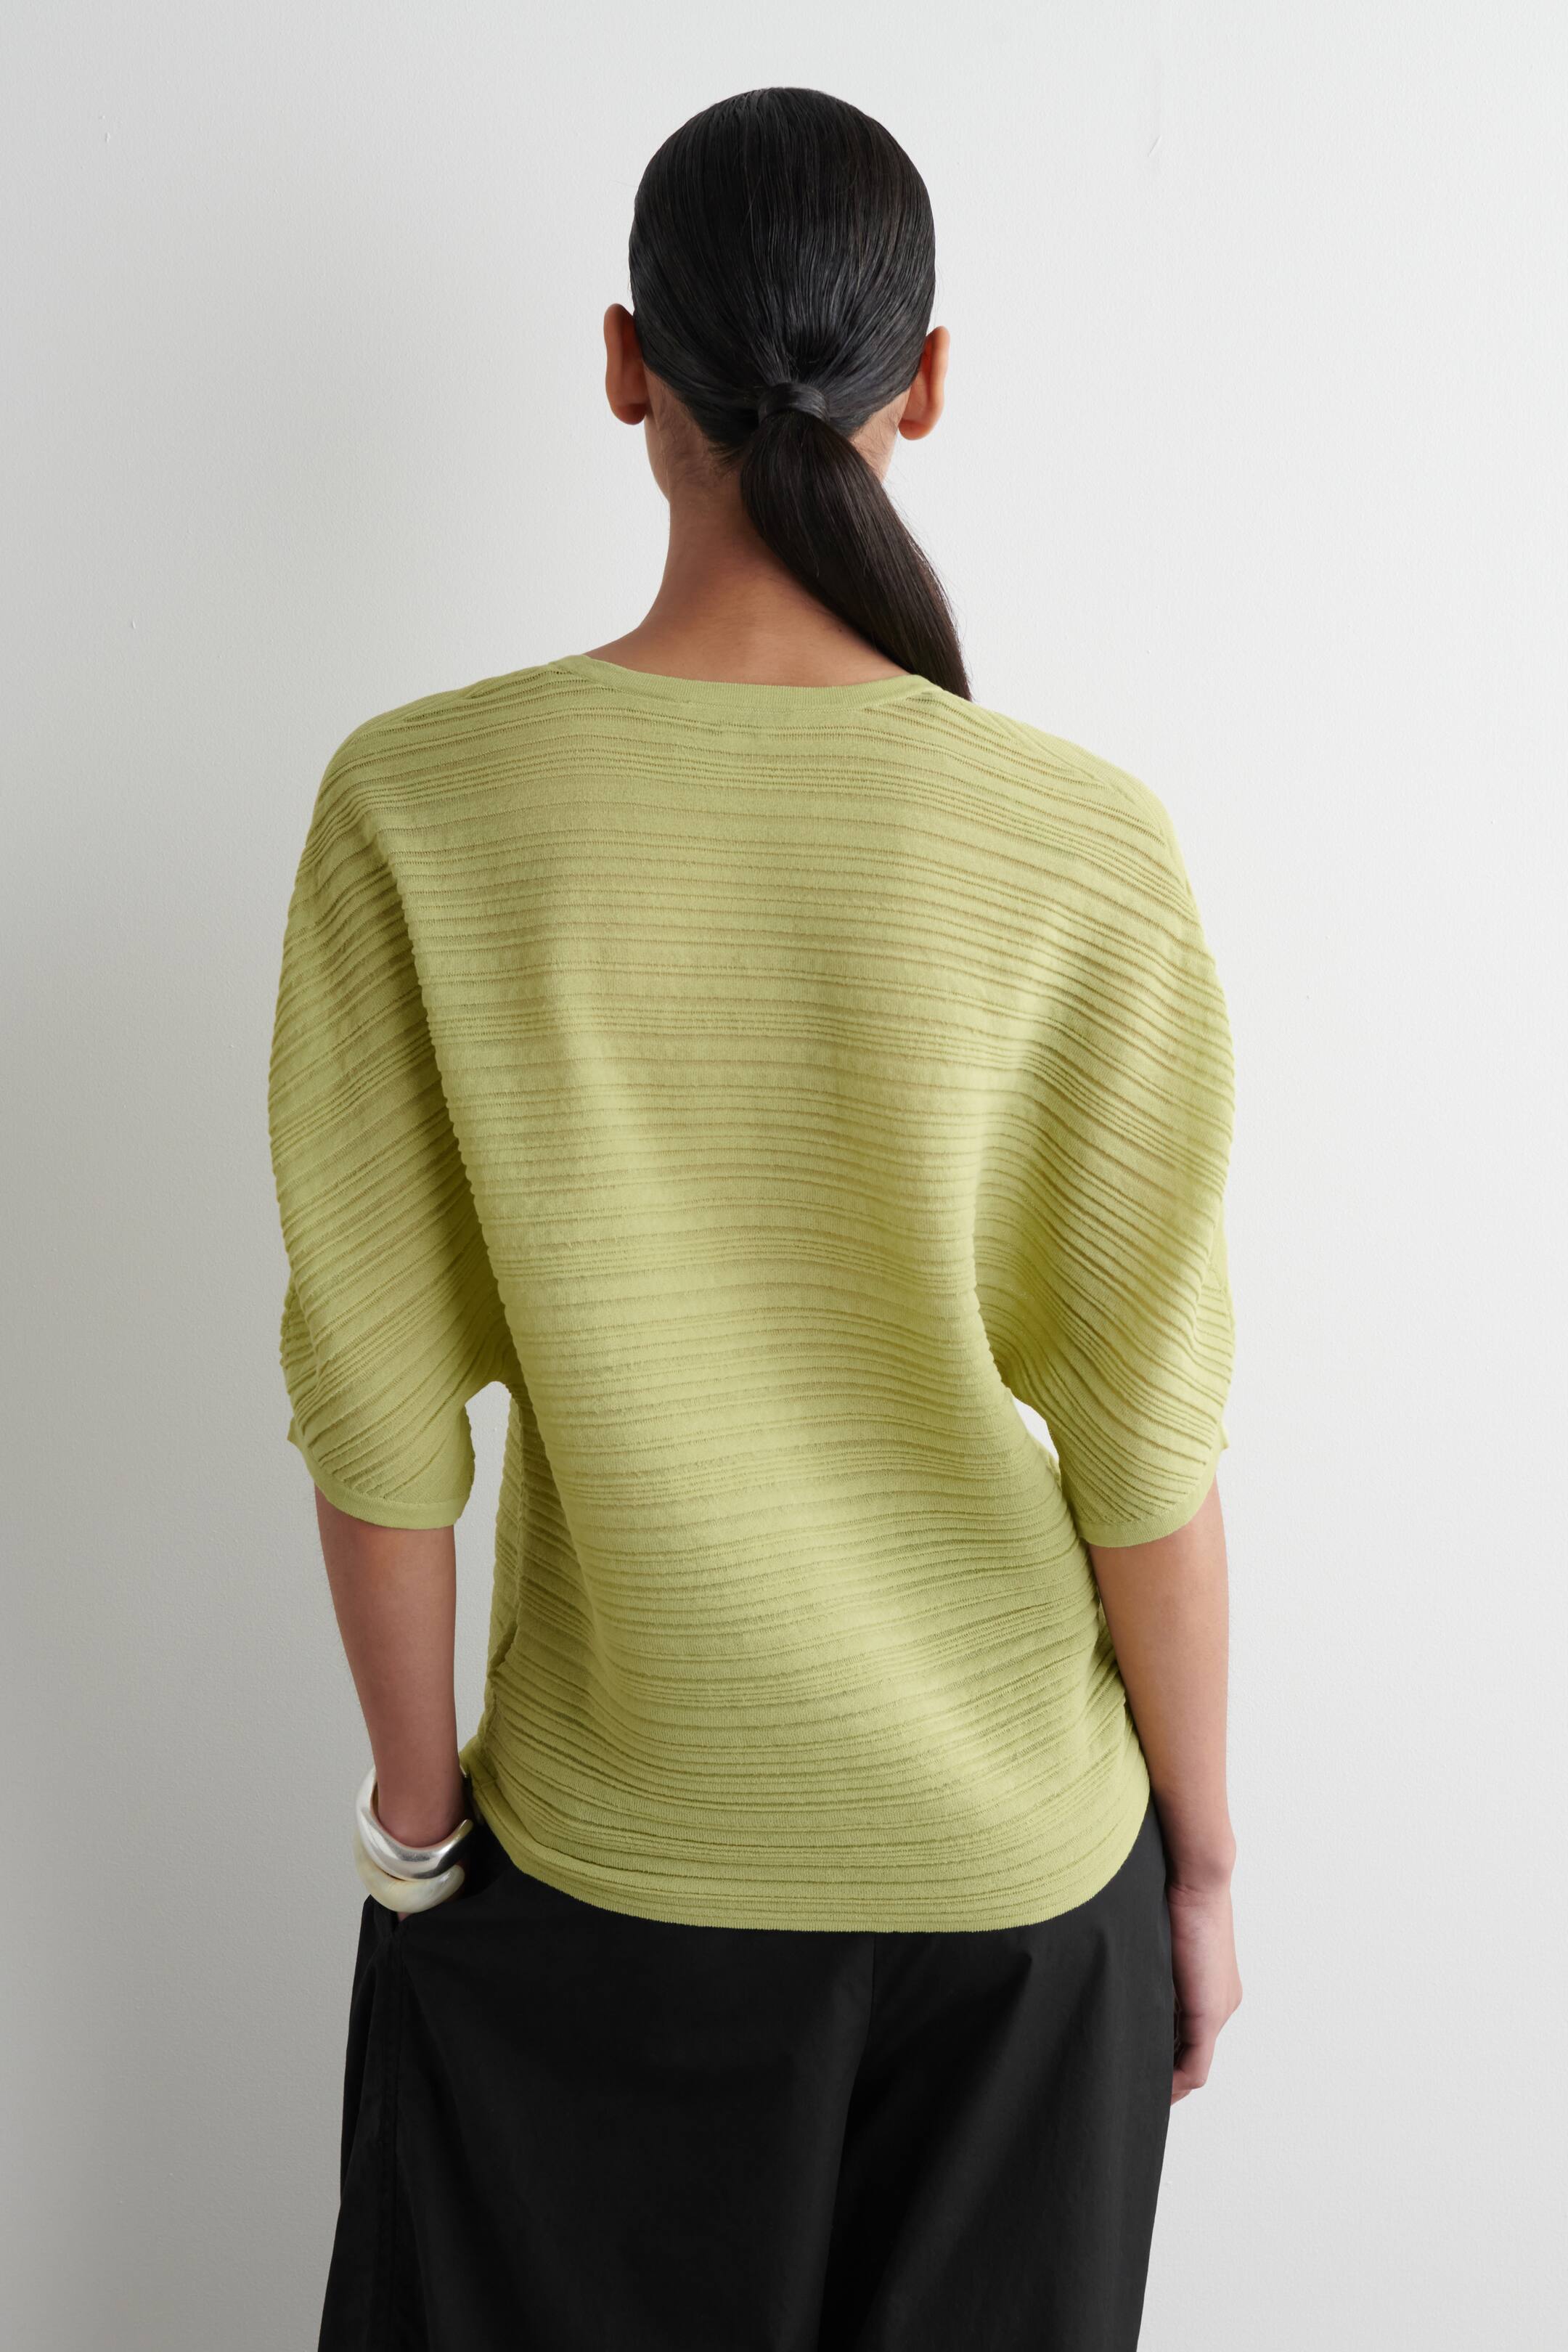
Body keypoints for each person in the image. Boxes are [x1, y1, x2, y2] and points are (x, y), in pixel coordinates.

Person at [268, 83, 1242, 2352]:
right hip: (1014, 1887)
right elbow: (1149, 1462)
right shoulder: (1081, 843)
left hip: (607, 1872)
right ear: (928, 382)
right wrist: (1197, 1861)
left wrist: (418, 1833)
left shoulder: (417, 806)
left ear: (628, 366)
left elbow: (379, 1419)